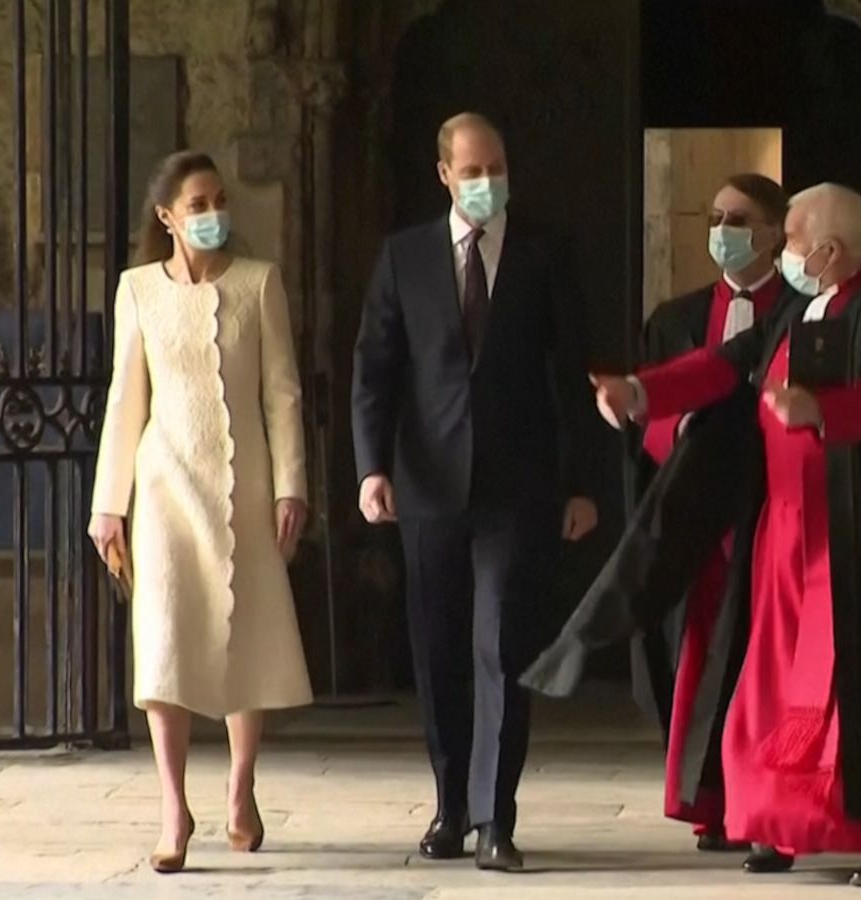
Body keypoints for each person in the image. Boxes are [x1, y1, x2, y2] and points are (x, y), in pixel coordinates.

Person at [583, 183, 861, 887]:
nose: (781, 252)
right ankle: (773, 824)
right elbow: (725, 366)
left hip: (851, 535)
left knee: (854, 686)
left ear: (829, 249)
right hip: (781, 531)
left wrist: (824, 408)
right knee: (765, 683)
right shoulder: (792, 308)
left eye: (788, 238)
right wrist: (642, 394)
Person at [351, 112, 602, 871]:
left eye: (497, 167)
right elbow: (375, 372)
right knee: (438, 652)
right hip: (427, 489)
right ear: (444, 175)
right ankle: (450, 806)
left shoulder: (542, 254)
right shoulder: (404, 258)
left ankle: (498, 819)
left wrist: (582, 483)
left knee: (501, 647)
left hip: (516, 489)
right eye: (473, 170)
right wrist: (371, 469)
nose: (488, 181)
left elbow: (573, 373)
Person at [88, 150, 313, 874]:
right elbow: (126, 400)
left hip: (243, 485)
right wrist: (108, 505)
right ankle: (173, 806)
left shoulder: (259, 283)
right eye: (197, 204)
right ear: (167, 217)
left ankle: (241, 788)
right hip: (162, 486)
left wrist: (291, 486)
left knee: (245, 631)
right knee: (165, 638)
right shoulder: (136, 291)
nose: (214, 213)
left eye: (219, 200)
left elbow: (282, 393)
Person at [630, 174, 793, 857]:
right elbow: (650, 418)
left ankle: (767, 805)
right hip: (702, 509)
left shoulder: (800, 312)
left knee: (767, 662)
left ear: (776, 232)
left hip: (776, 509)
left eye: (740, 218)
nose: (723, 229)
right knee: (701, 652)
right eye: (716, 215)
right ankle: (710, 802)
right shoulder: (675, 317)